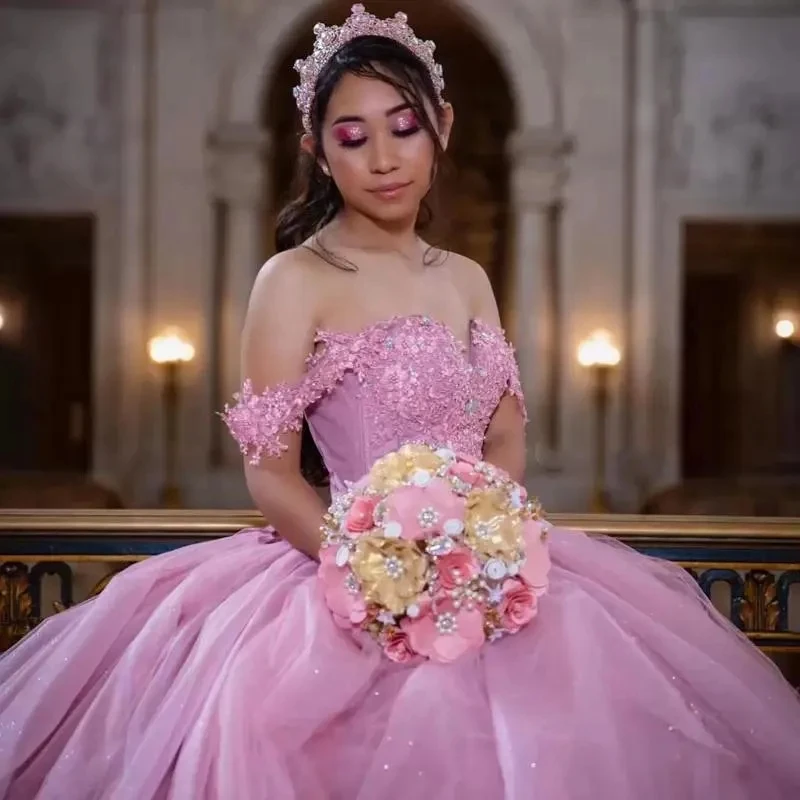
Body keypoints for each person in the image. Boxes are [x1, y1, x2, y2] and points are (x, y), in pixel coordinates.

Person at [1, 6, 799, 798]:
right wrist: (376, 572)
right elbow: (271, 475)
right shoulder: (294, 279)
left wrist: (487, 548)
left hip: (486, 577)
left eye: (403, 127)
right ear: (317, 151)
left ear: (441, 127)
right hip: (340, 574)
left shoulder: (466, 277)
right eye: (352, 137)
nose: (383, 158)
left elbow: (506, 436)